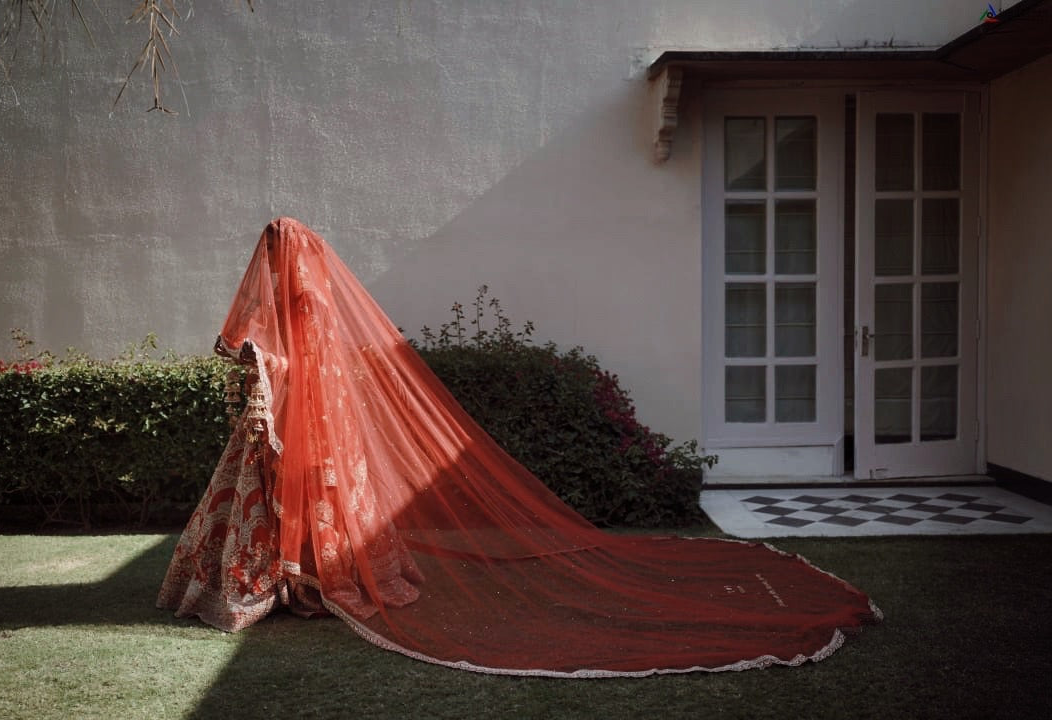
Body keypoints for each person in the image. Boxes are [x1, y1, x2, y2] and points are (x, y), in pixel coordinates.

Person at [159, 217, 880, 677]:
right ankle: (294, 578)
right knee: (288, 498)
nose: (275, 266)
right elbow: (276, 358)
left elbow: (297, 362)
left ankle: (295, 581)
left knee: (313, 497)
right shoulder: (294, 301)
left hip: (305, 421)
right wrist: (267, 381)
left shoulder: (306, 303)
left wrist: (268, 377)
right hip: (288, 423)